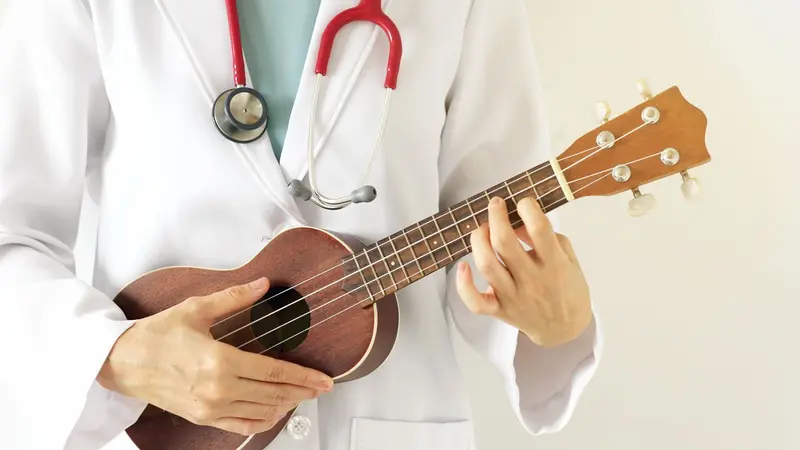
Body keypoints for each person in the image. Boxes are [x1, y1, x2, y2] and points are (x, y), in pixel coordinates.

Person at [0, 0, 602, 449]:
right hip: (163, 432)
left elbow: (494, 234)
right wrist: (113, 355)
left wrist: (553, 323)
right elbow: (11, 233)